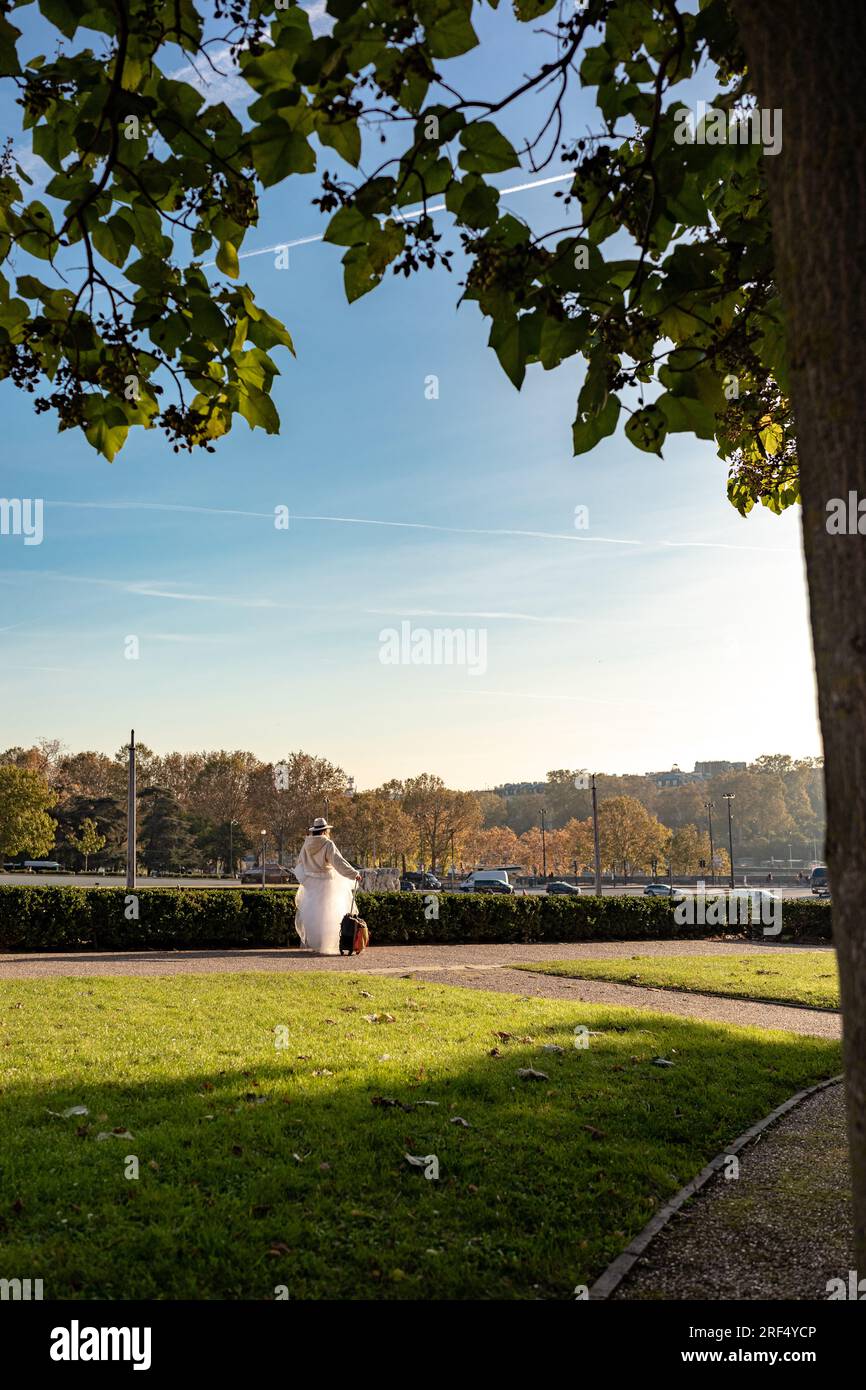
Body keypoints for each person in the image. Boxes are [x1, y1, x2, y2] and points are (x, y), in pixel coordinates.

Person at [293, 817, 361, 955]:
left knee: (314, 915)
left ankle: (316, 944)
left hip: (311, 885)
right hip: (327, 882)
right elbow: (339, 863)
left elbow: (299, 863)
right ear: (325, 831)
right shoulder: (328, 844)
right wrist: (354, 874)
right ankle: (327, 944)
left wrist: (306, 878)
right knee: (329, 915)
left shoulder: (306, 845)